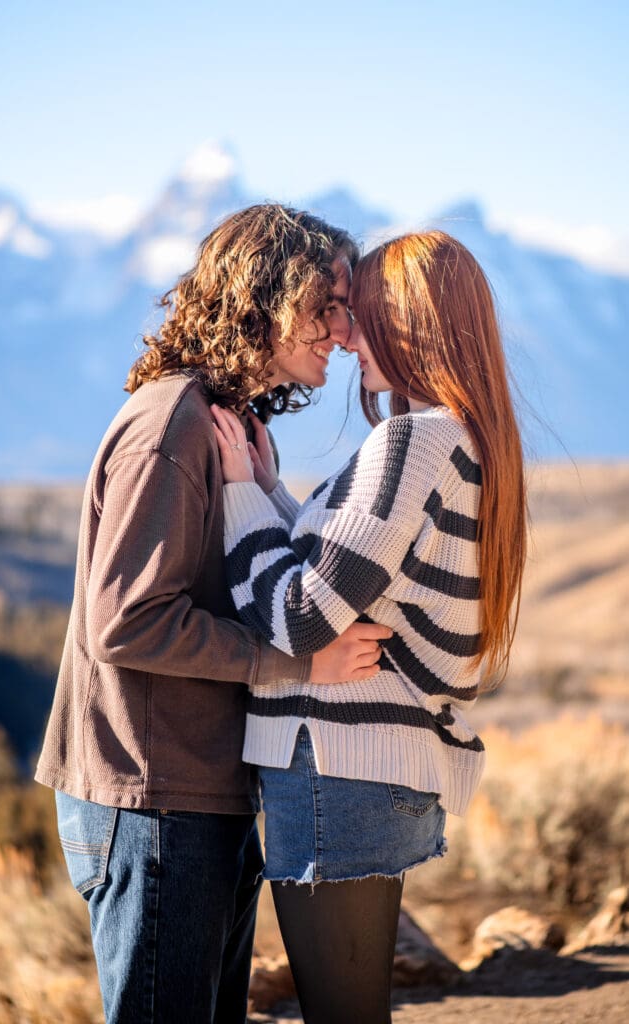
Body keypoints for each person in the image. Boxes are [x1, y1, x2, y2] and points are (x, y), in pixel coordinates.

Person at [34, 203, 392, 1024]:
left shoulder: (226, 426)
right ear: (261, 298)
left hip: (199, 792)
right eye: (325, 307)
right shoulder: (173, 426)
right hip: (153, 799)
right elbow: (124, 623)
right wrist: (303, 666)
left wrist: (261, 493)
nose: (342, 335)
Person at [212, 229, 527, 1024]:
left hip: (334, 766)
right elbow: (344, 571)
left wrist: (234, 495)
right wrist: (273, 492)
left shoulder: (410, 441)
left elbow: (299, 615)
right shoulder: (463, 438)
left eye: (364, 314)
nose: (346, 336)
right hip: (373, 769)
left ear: (413, 324)